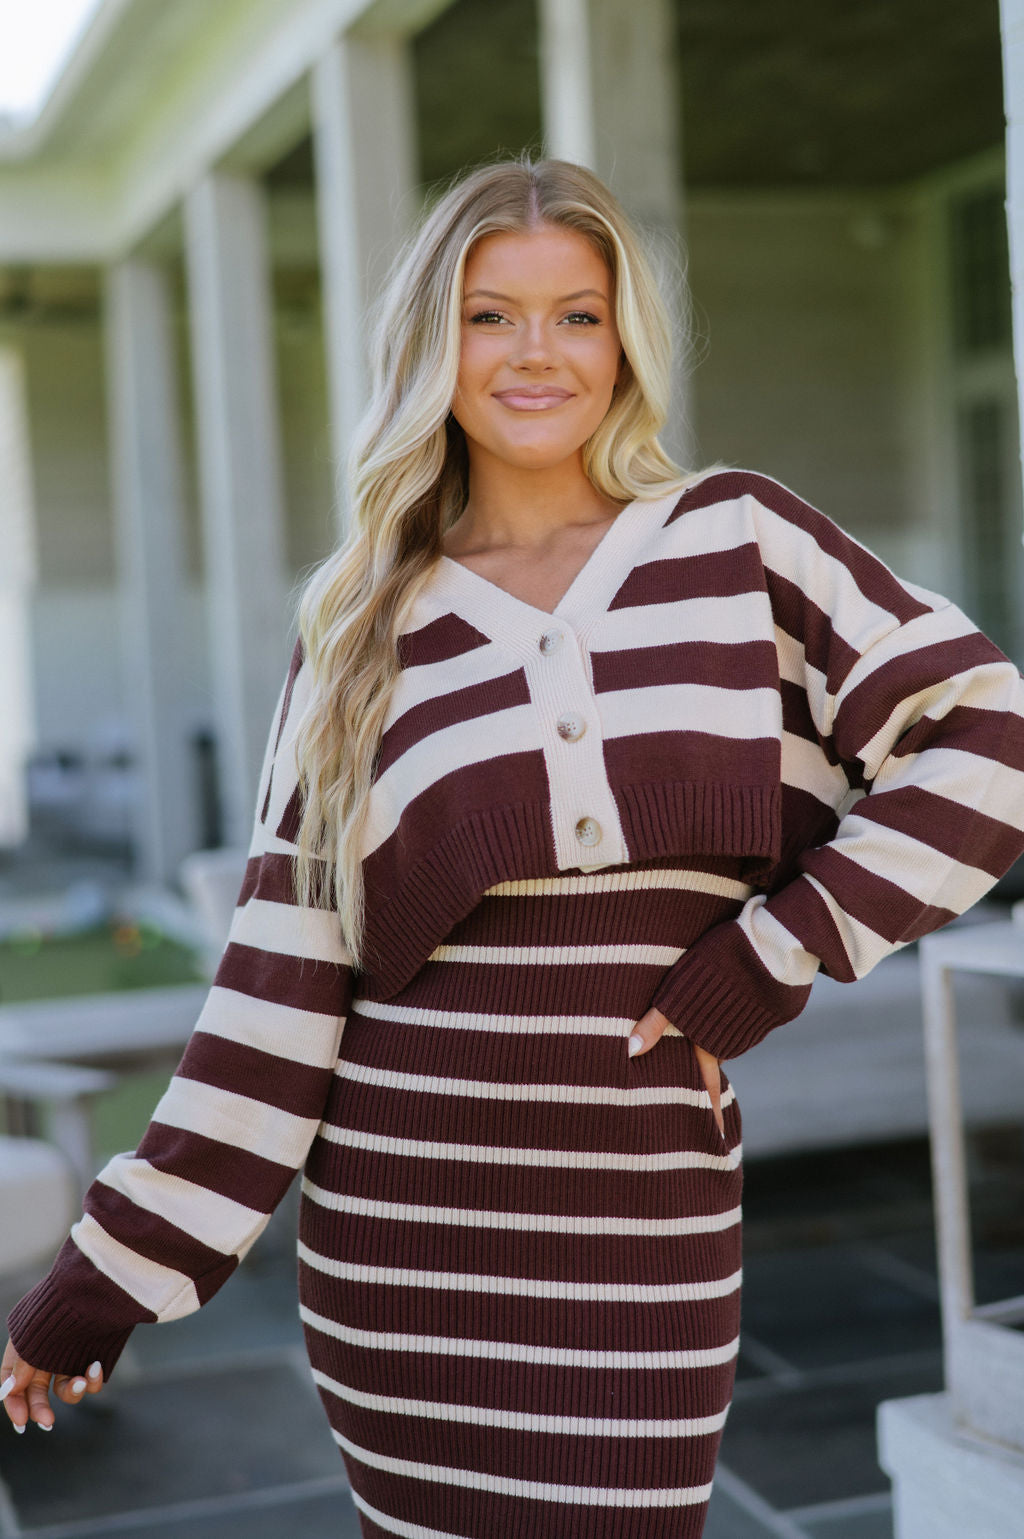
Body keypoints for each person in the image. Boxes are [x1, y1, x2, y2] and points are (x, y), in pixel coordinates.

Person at [4, 156, 1024, 1539]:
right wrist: (105, 1275)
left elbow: (986, 737)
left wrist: (779, 951)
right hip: (404, 1240)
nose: (536, 353)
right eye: (490, 315)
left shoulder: (742, 543)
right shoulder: (363, 620)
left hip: (644, 1236)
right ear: (433, 343)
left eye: (578, 314)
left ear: (625, 341)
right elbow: (279, 979)